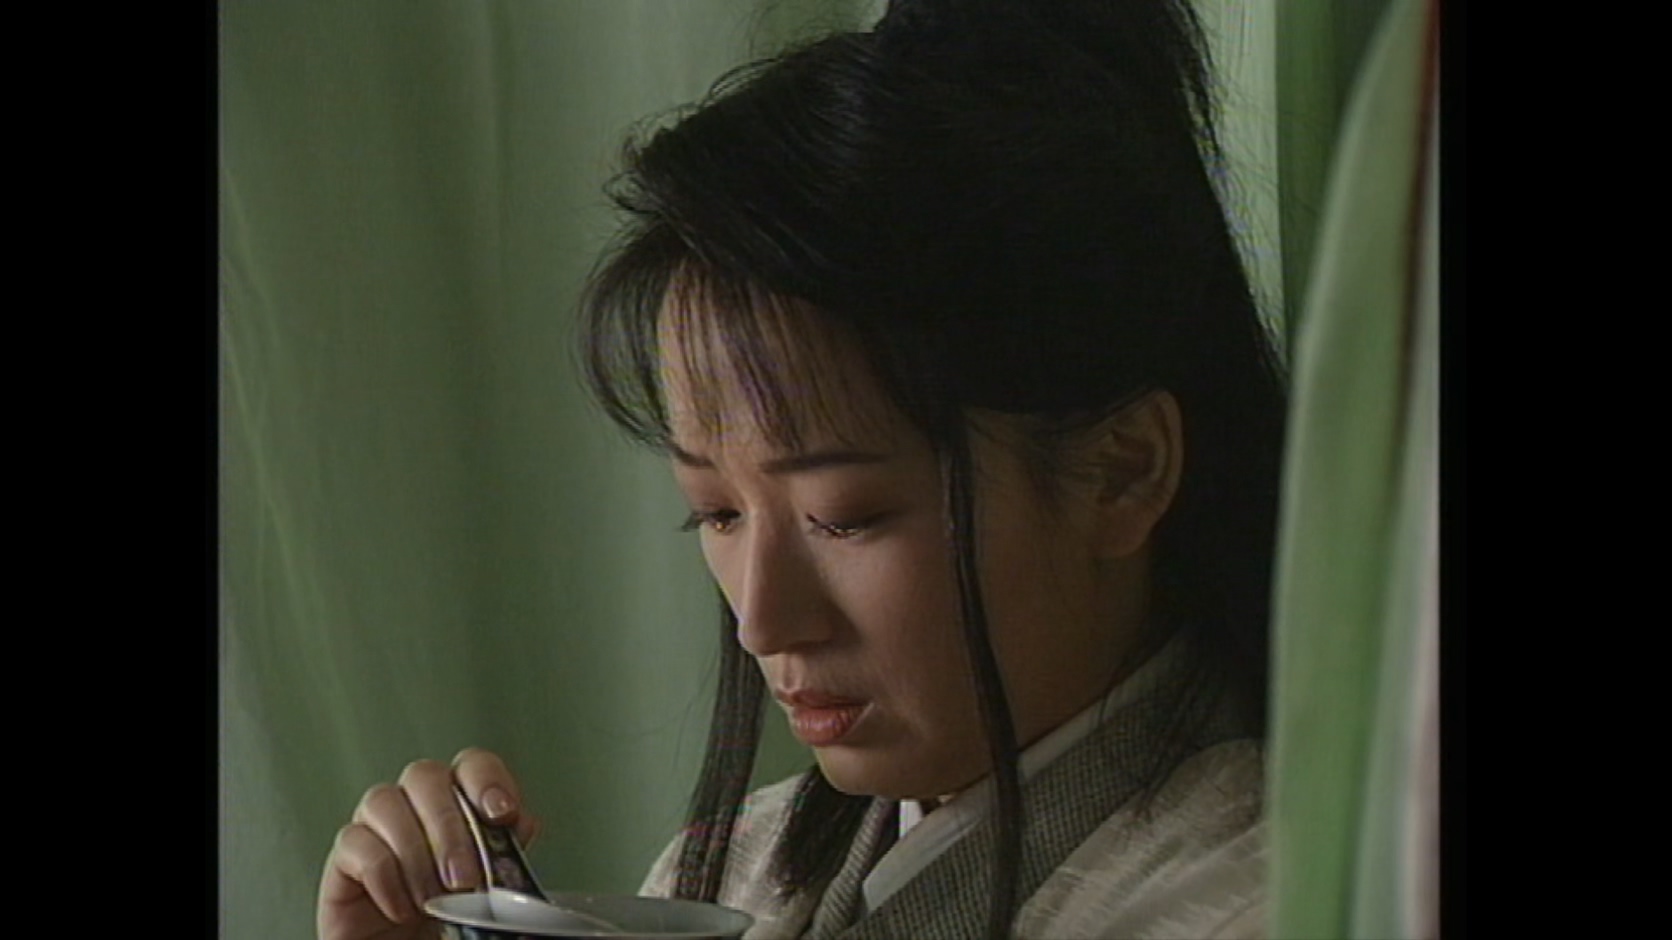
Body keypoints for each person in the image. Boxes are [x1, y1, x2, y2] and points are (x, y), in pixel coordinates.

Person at [316, 0, 1287, 937]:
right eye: (716, 513)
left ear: (1121, 473)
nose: (761, 621)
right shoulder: (742, 865)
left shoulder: (1269, 903)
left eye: (844, 514)